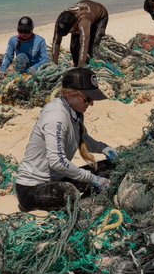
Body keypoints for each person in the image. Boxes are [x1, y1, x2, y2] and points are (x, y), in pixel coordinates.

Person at [14, 67, 118, 212]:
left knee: (110, 167)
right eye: (88, 99)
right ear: (70, 94)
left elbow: (83, 139)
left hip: (58, 180)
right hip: (32, 188)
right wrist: (93, 179)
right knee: (69, 193)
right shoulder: (56, 117)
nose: (91, 104)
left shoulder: (75, 111)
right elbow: (57, 162)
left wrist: (104, 148)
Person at [50, 0, 109, 67]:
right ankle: (77, 65)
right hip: (79, 21)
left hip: (100, 17)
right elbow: (56, 42)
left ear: (74, 25)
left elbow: (84, 45)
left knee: (92, 51)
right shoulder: (61, 20)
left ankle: (106, 66)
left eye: (69, 31)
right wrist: (54, 65)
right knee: (73, 48)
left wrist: (80, 69)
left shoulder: (83, 21)